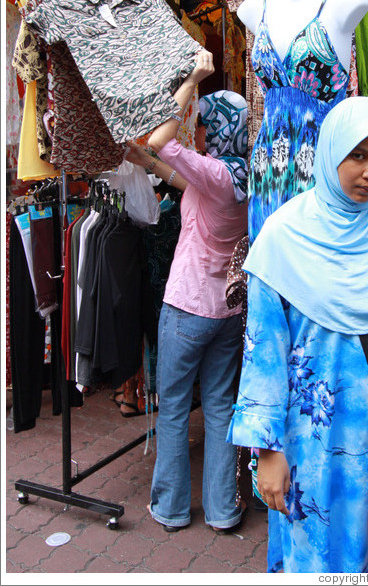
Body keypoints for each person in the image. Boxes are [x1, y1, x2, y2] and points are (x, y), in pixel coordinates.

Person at [228, 96, 368, 573]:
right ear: (330, 153)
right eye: (358, 156)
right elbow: (263, 352)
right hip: (314, 445)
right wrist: (266, 450)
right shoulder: (282, 237)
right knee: (317, 557)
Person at [126, 48, 248, 533]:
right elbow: (184, 178)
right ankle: (222, 510)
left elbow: (162, 139)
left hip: (187, 306)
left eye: (201, 123)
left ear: (214, 127)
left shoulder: (215, 172)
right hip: (228, 313)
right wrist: (147, 163)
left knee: (174, 406)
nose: (195, 129)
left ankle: (172, 508)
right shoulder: (244, 173)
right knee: (219, 406)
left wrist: (195, 77)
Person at [237, 0, 368, 243]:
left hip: (321, 159)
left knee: (318, 263)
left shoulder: (347, 1)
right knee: (270, 260)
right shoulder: (252, 8)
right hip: (268, 165)